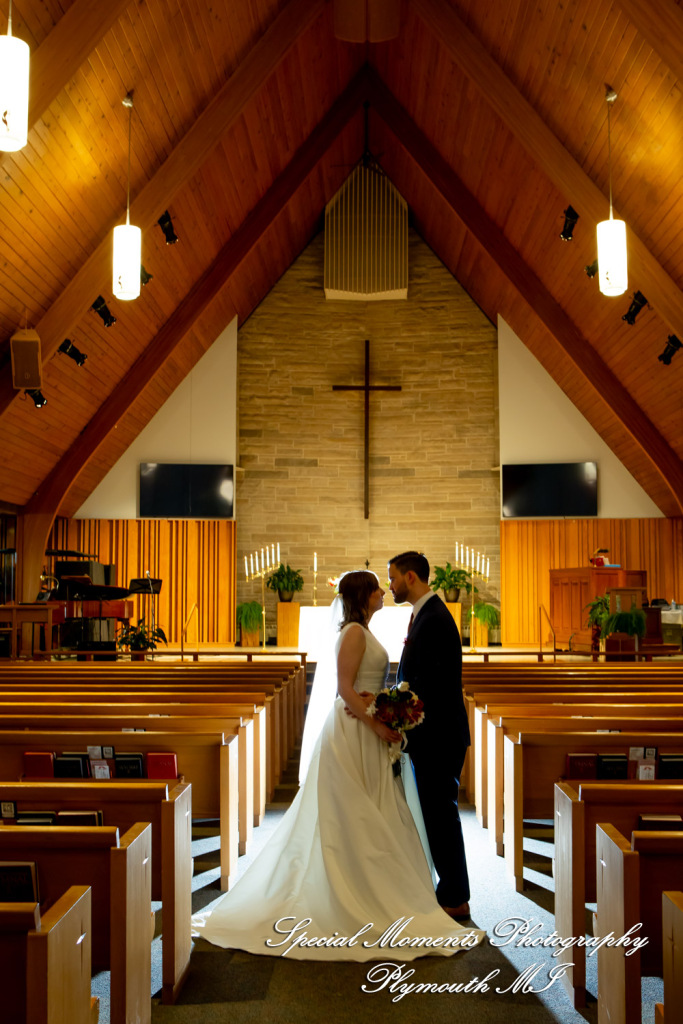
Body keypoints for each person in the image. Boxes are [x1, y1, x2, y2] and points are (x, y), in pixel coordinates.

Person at [192, 569, 482, 960]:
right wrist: (377, 723)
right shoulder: (354, 633)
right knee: (355, 813)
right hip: (355, 733)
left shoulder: (362, 630)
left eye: (387, 582)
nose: (383, 591)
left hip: (365, 728)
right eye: (377, 586)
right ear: (363, 594)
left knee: (374, 811)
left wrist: (386, 705)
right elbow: (345, 690)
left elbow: (359, 686)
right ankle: (353, 892)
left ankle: (374, 888)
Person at [388, 550, 472, 919]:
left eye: (392, 577)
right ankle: (451, 891)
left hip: (438, 737)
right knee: (438, 815)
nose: (389, 585)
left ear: (410, 577)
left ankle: (455, 897)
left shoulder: (435, 617)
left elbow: (431, 685)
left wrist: (391, 707)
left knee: (442, 815)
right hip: (434, 735)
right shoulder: (426, 614)